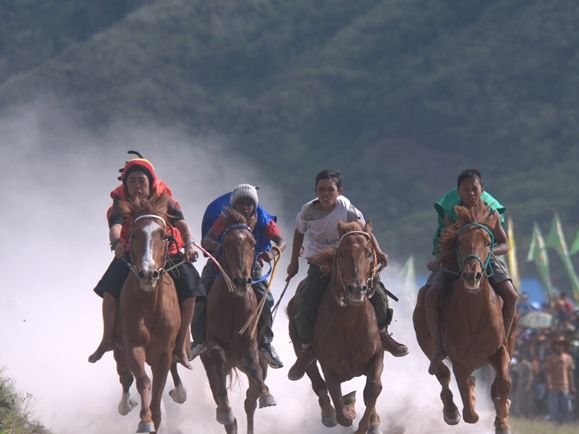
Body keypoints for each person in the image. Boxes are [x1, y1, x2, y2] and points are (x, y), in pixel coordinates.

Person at [285, 169, 407, 380]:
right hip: (321, 261)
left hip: (350, 258)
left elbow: (365, 232)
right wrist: (293, 261)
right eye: (321, 189)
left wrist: (378, 251)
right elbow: (298, 233)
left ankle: (384, 335)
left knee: (376, 291)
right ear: (315, 191)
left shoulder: (347, 208)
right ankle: (307, 349)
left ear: (339, 191)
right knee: (307, 300)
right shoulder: (307, 212)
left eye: (330, 189)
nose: (325, 193)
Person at [89, 153, 200, 369]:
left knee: (192, 289)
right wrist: (116, 244)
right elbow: (116, 226)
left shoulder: (164, 199)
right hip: (132, 254)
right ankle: (106, 340)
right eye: (132, 181)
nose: (137, 186)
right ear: (125, 184)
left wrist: (188, 245)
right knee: (110, 291)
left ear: (151, 182)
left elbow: (182, 224)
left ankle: (180, 346)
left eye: (142, 181)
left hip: (166, 251)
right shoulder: (121, 200)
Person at [423, 169, 519, 374]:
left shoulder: (491, 212)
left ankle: (502, 343)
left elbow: (504, 244)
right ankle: (439, 349)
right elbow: (446, 241)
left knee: (511, 296)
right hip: (456, 258)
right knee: (431, 295)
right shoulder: (452, 212)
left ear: (482, 190)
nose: (471, 194)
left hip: (484, 259)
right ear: (459, 191)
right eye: (466, 190)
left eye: (474, 189)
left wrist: (486, 251)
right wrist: (440, 260)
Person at [191, 184, 286, 369]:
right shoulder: (224, 219)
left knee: (266, 299)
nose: (245, 207)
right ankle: (200, 341)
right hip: (220, 263)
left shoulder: (262, 219)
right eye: (241, 203)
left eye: (249, 203)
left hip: (251, 265)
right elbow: (206, 241)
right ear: (234, 204)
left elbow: (281, 241)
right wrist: (220, 248)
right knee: (200, 296)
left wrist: (273, 253)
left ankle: (265, 344)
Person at [544, 335, 575, 424]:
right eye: (558, 345)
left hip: (565, 386)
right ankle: (555, 424)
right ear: (555, 346)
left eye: (562, 345)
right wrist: (548, 383)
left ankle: (563, 423)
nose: (560, 347)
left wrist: (572, 386)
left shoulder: (568, 358)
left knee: (567, 408)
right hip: (554, 386)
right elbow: (548, 372)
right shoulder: (550, 358)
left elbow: (570, 372)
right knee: (554, 408)